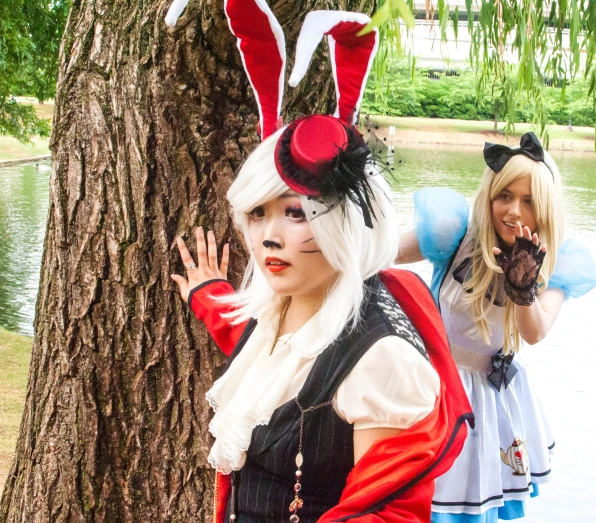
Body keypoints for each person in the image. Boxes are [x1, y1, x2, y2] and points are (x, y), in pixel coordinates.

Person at [166, 3, 472, 522]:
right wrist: (206, 293)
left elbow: (389, 513)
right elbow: (258, 339)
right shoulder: (280, 311)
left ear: (343, 221)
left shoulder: (381, 361)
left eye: (294, 213)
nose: (269, 238)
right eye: (257, 215)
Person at [396, 132, 596, 522]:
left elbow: (535, 332)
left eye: (528, 201)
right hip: (432, 387)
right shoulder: (455, 237)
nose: (513, 211)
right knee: (414, 503)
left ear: (546, 209)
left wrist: (523, 288)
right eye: (504, 196)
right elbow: (382, 251)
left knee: (469, 508)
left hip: (488, 400)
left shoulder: (556, 265)